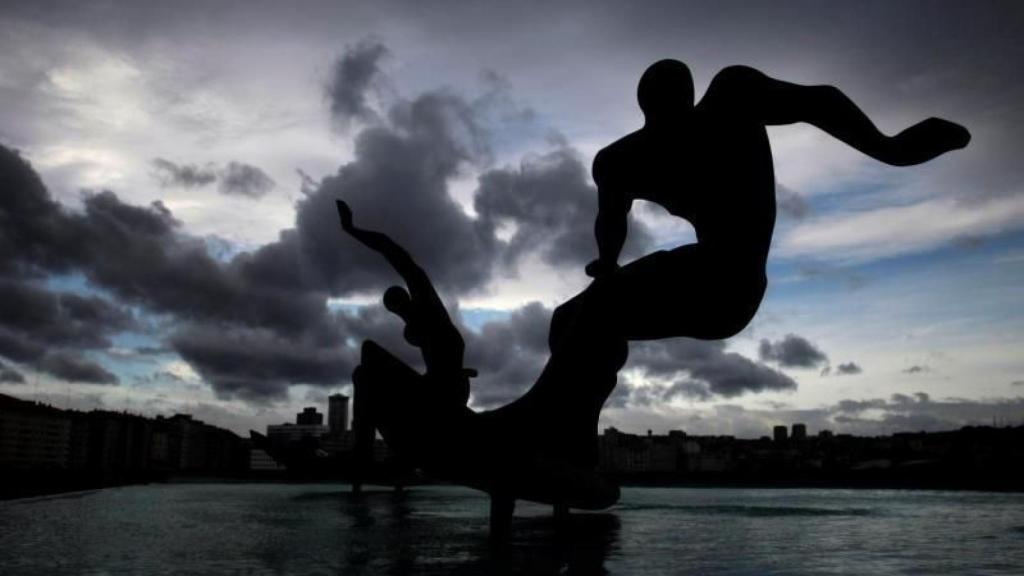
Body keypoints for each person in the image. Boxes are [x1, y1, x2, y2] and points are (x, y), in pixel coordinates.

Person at [559, 60, 970, 344]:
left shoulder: (732, 100)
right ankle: (564, 441)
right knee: (569, 322)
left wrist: (890, 149)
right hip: (711, 277)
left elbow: (819, 102)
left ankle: (564, 446)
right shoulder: (625, 159)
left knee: (582, 321)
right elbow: (611, 217)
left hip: (731, 286)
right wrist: (608, 263)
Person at [337, 200, 476, 408]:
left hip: (450, 385)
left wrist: (352, 230)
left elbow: (392, 251)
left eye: (401, 304)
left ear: (407, 298)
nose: (401, 312)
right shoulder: (411, 322)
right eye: (396, 310)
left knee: (368, 354)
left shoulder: (426, 303)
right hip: (433, 383)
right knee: (365, 370)